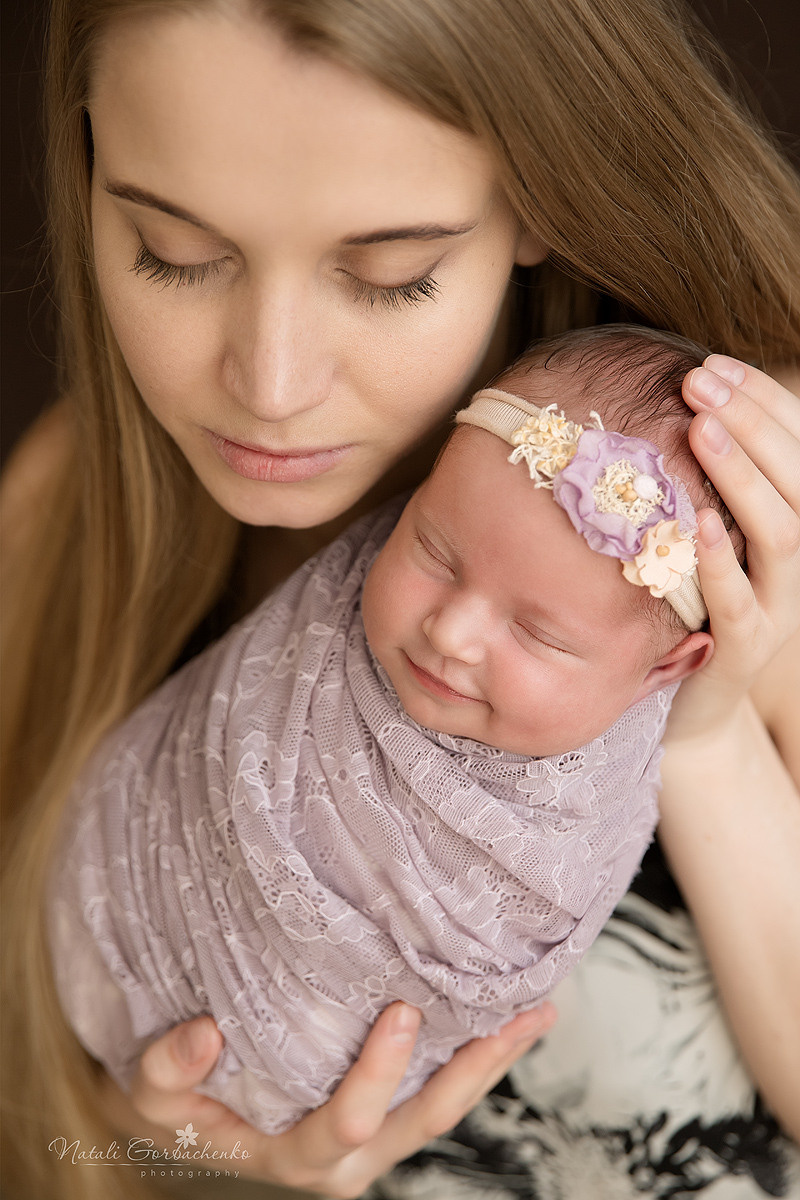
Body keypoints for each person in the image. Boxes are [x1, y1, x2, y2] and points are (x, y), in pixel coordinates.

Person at [1, 1, 798, 1198]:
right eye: (175, 251)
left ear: (538, 202)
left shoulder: (745, 502)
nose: (269, 386)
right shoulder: (64, 510)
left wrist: (696, 737)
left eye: (390, 275)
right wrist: (161, 1134)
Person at [50, 325, 723, 1139]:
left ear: (665, 671)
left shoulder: (618, 785)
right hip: (95, 915)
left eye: (540, 636)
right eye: (434, 552)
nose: (452, 632)